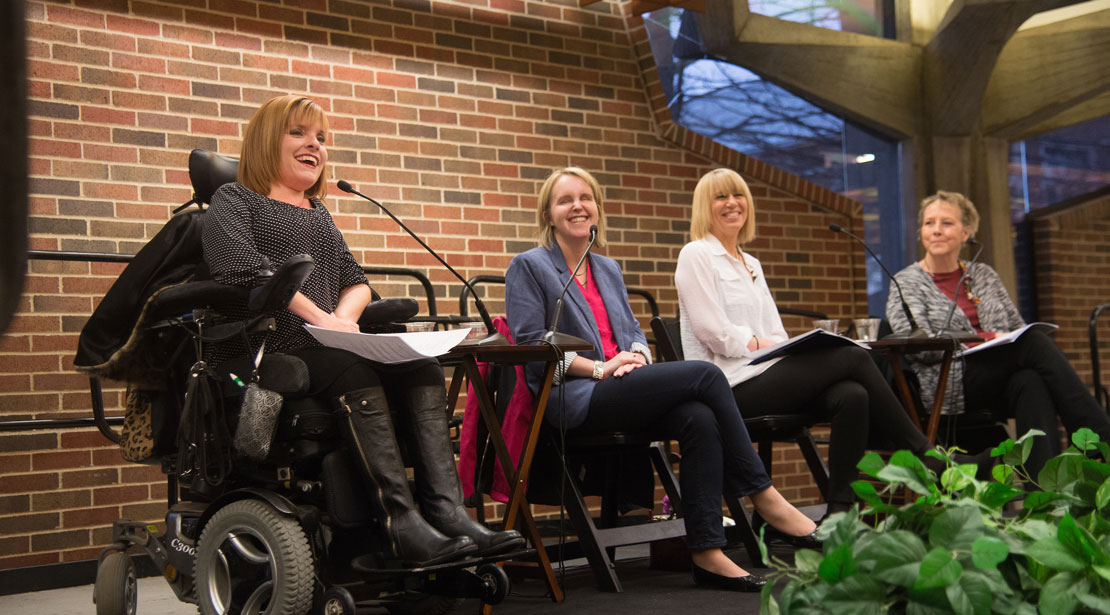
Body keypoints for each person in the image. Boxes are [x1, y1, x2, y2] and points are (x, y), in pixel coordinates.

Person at [201, 94, 522, 565]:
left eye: (321, 138)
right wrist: (325, 320)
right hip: (271, 346)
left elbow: (356, 281)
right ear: (267, 141)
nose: (314, 145)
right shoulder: (236, 200)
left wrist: (346, 320)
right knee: (351, 365)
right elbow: (247, 268)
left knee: (421, 366)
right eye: (299, 133)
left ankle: (447, 511)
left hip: (330, 341)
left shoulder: (318, 212)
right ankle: (400, 523)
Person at [505, 167, 819, 592]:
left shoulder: (608, 268)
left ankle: (707, 553)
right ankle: (763, 494)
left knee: (697, 417)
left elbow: (632, 330)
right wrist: (601, 367)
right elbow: (533, 349)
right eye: (565, 200)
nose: (578, 206)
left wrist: (636, 355)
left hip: (622, 384)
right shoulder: (529, 266)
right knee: (706, 375)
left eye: (586, 198)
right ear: (548, 213)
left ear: (597, 208)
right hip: (574, 395)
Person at [675, 168, 954, 517]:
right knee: (852, 357)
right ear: (705, 206)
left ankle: (839, 513)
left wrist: (767, 344)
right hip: (728, 386)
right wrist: (761, 343)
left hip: (764, 373)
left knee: (854, 394)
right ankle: (929, 456)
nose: (732, 203)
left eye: (739, 195)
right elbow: (711, 331)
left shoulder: (751, 263)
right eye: (721, 197)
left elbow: (778, 334)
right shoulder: (696, 254)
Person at [887, 190, 1110, 476]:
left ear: (966, 232)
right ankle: (1100, 437)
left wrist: (1000, 338)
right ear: (921, 232)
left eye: (946, 223)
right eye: (929, 223)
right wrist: (977, 340)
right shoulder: (905, 283)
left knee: (1030, 381)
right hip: (947, 382)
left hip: (994, 378)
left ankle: (1043, 494)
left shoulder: (984, 275)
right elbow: (917, 347)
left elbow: (1016, 327)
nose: (936, 231)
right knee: (1034, 343)